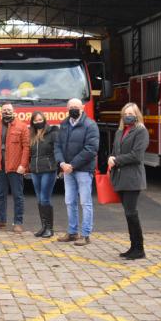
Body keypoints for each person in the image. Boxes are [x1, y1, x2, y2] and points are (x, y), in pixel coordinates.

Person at [54, 98, 100, 246]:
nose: (73, 109)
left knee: (85, 202)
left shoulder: (90, 125)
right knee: (69, 201)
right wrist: (62, 163)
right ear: (67, 108)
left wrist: (72, 165)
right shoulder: (64, 124)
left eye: (76, 107)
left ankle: (85, 235)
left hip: (83, 170)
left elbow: (91, 149)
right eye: (71, 107)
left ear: (82, 108)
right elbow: (58, 146)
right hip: (67, 169)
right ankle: (72, 232)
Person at [109, 102, 149, 260]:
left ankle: (139, 249)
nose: (128, 116)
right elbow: (115, 151)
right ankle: (133, 247)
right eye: (125, 114)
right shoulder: (120, 131)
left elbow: (137, 156)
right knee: (128, 214)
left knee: (131, 213)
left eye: (131, 113)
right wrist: (111, 158)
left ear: (137, 115)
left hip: (133, 178)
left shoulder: (141, 131)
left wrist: (116, 160)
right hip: (120, 178)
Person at [0, 103, 30, 232]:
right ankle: (1, 221)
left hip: (15, 167)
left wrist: (23, 165)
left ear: (13, 111)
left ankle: (18, 222)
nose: (6, 112)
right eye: (4, 110)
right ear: (1, 112)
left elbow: (26, 148)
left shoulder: (22, 127)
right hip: (0, 166)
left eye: (9, 110)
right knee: (0, 195)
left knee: (18, 195)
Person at [28, 111, 60, 238]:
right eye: (35, 120)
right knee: (39, 199)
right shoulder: (32, 135)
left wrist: (59, 165)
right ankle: (43, 227)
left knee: (45, 198)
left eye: (40, 119)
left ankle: (50, 229)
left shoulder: (53, 133)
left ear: (44, 120)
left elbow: (57, 150)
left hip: (48, 169)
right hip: (35, 171)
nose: (38, 122)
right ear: (33, 122)